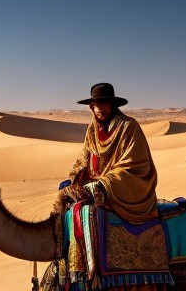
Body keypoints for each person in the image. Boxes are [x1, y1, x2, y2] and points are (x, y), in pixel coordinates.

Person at [57, 83, 158, 223]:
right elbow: (84, 159)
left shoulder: (128, 126)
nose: (99, 109)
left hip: (120, 193)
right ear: (91, 106)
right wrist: (73, 178)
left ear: (112, 104)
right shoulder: (92, 129)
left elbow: (135, 166)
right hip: (93, 191)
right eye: (96, 104)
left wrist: (103, 185)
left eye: (103, 103)